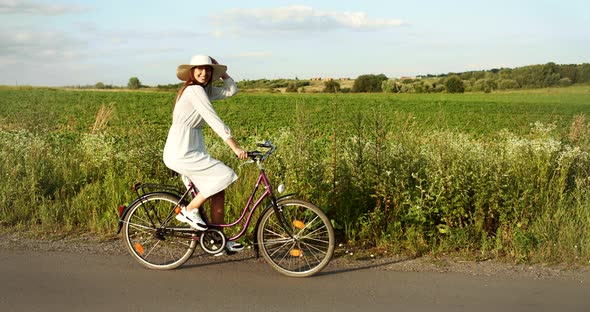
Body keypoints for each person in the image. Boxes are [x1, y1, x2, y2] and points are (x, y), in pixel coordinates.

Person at [163, 54, 247, 252]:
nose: (204, 72)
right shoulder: (193, 90)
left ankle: (219, 239)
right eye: (200, 69)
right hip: (181, 150)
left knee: (218, 188)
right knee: (225, 174)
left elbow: (231, 90)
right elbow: (213, 119)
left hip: (192, 148)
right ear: (192, 72)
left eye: (208, 69)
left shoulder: (204, 90)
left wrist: (221, 71)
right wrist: (235, 147)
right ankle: (189, 210)